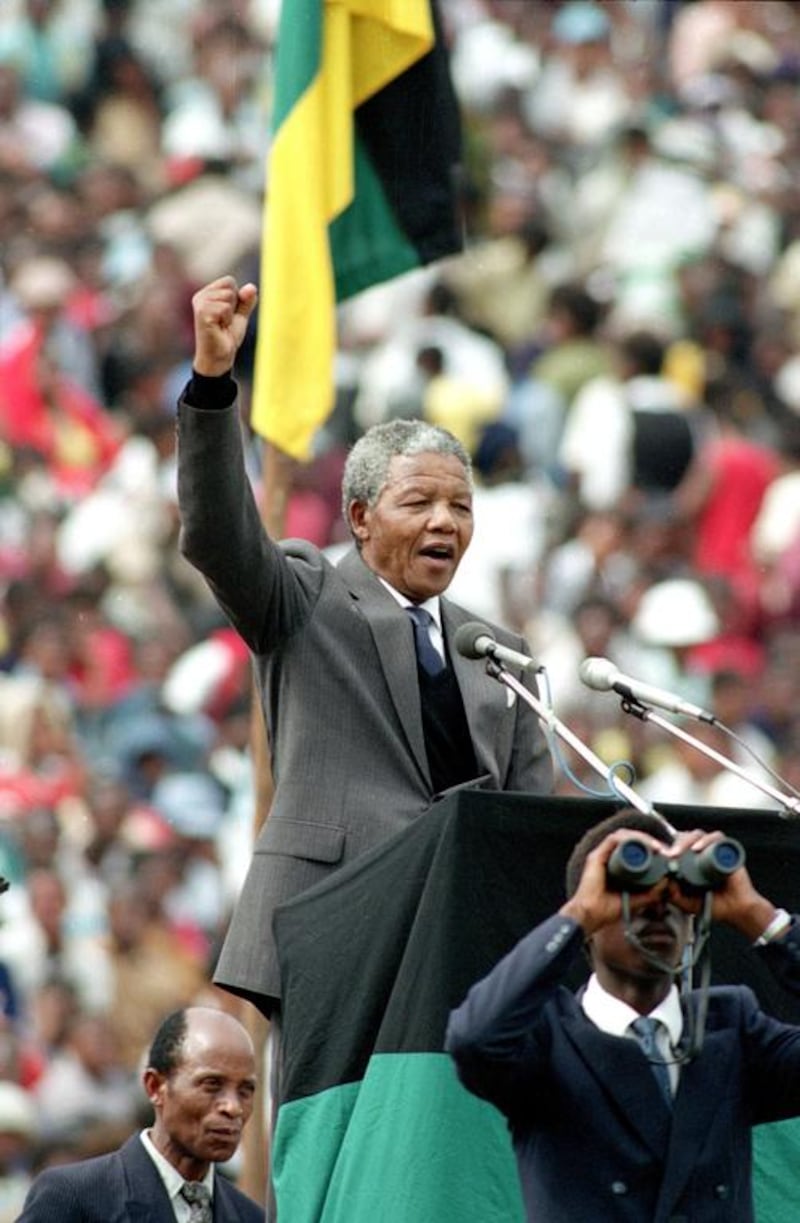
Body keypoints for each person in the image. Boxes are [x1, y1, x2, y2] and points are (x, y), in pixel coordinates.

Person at [177, 275, 553, 1018]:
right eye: (418, 502)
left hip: (462, 957)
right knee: (340, 1137)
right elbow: (218, 533)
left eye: (460, 506)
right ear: (358, 516)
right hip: (335, 931)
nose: (444, 523)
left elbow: (528, 831)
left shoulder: (499, 653)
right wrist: (215, 382)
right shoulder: (306, 596)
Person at [445, 808, 800, 1222]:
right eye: (630, 892)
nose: (657, 908)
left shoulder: (732, 1027)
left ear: (693, 923)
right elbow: (473, 1039)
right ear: (589, 925)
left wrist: (761, 919)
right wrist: (577, 914)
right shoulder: (546, 1040)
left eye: (676, 893)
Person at [18, 1004, 263, 1221]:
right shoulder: (72, 1198)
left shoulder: (250, 1216)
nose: (233, 1107)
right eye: (212, 1085)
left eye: (245, 1091)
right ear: (155, 1087)